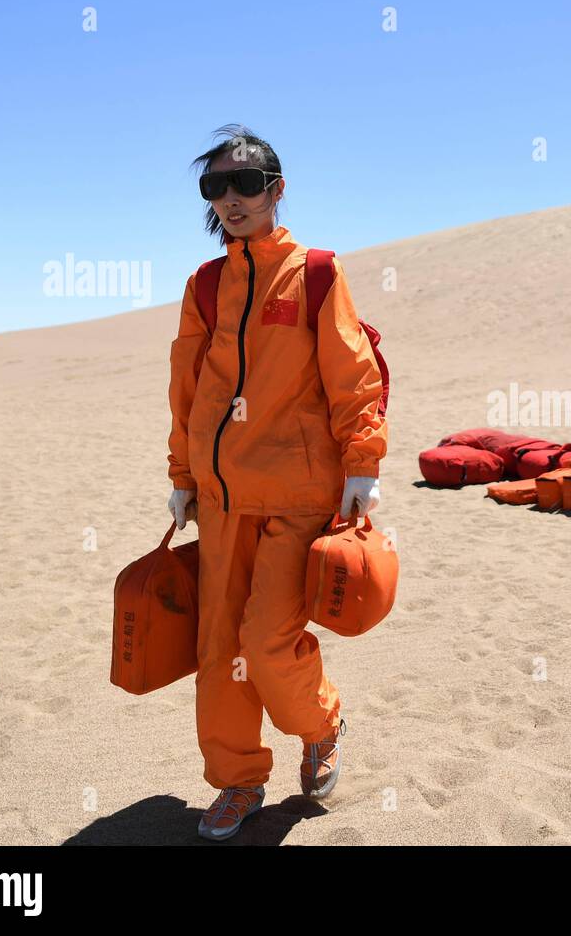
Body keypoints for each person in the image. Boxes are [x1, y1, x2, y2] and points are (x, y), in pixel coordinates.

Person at [166, 125, 387, 841]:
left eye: (246, 183)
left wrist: (363, 463)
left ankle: (321, 724)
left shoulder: (316, 272)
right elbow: (189, 392)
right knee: (218, 653)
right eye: (216, 187)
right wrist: (182, 476)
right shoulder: (204, 286)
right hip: (223, 500)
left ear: (276, 188)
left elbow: (352, 372)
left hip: (298, 495)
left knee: (265, 643)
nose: (232, 198)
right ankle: (237, 780)